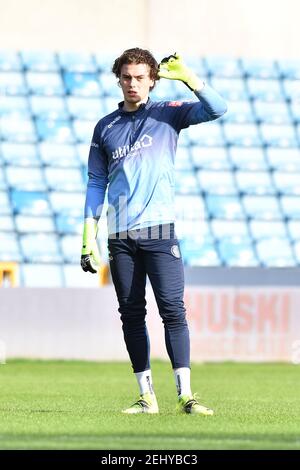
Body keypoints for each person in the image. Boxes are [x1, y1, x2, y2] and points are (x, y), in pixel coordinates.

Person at [81, 48, 227, 415]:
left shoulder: (168, 114)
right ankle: (147, 397)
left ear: (152, 80)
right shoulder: (106, 127)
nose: (133, 83)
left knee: (173, 311)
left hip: (160, 232)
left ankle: (186, 396)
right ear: (119, 79)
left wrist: (190, 78)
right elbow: (96, 181)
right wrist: (88, 236)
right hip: (120, 237)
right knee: (130, 314)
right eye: (127, 77)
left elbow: (217, 108)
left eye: (140, 77)